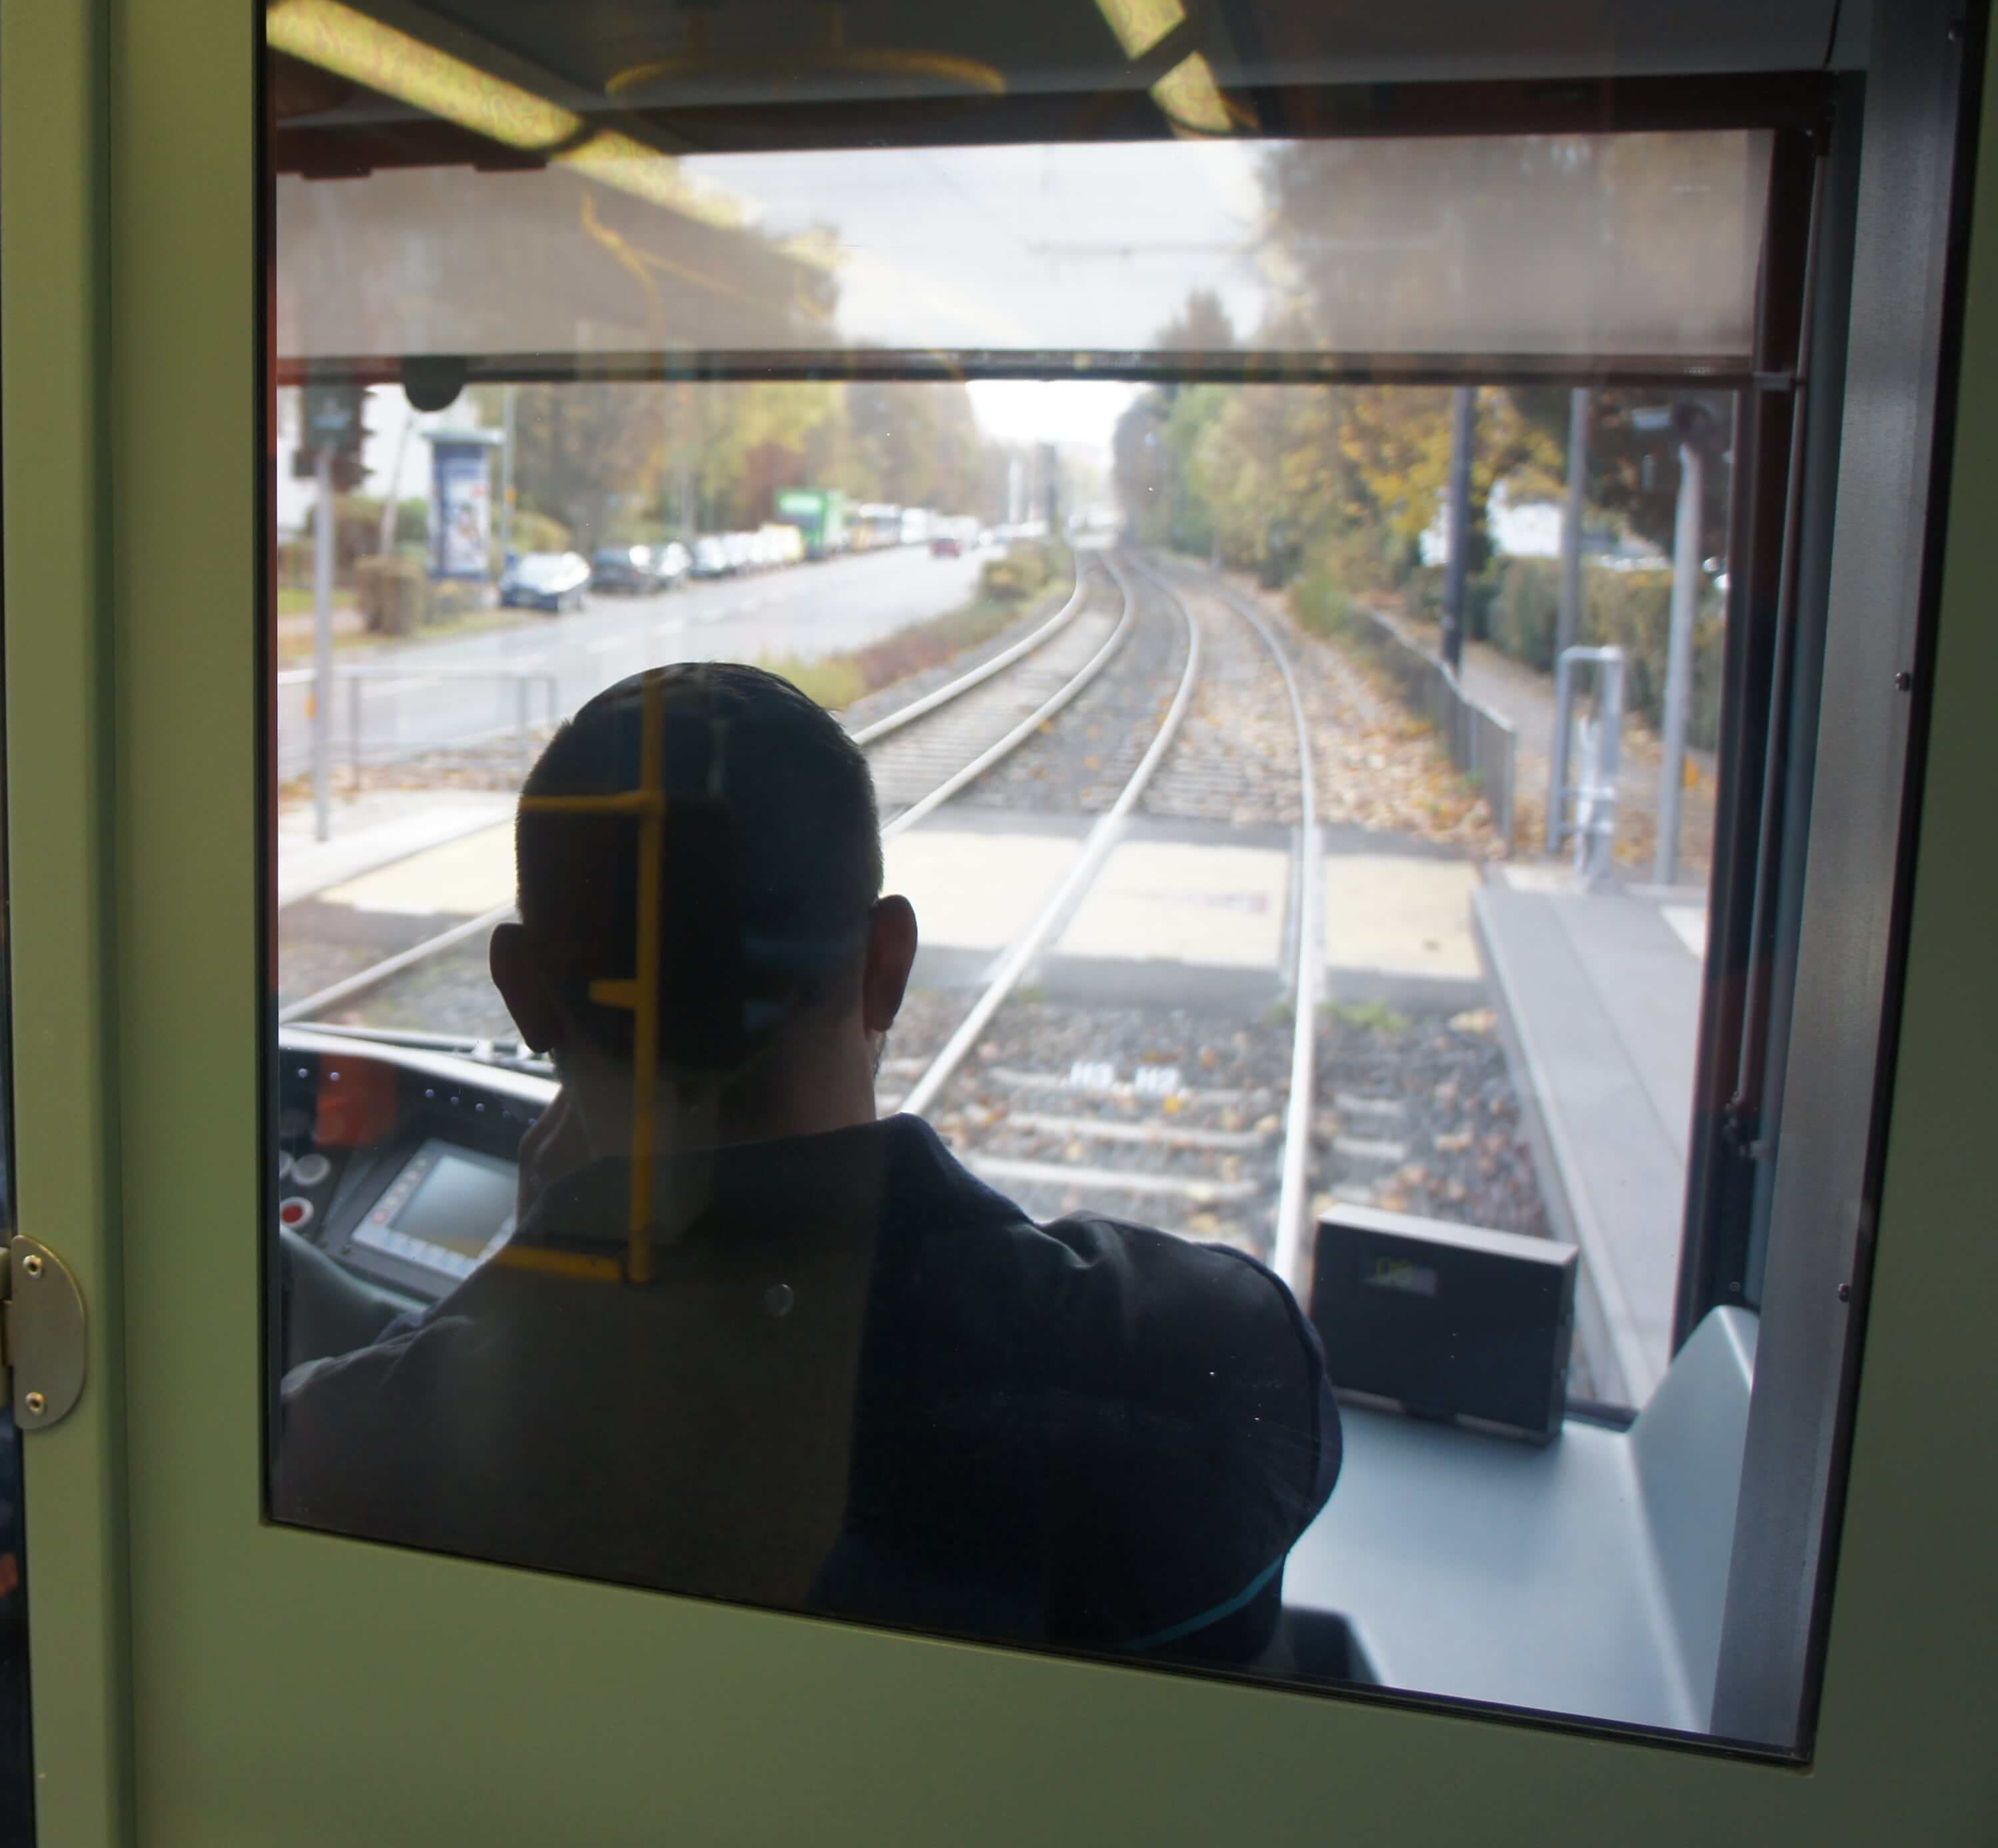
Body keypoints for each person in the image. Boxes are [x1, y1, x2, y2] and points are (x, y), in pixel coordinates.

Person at [274, 662, 1339, 1662]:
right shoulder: (1208, 1381)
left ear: (522, 992)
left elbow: (415, 1402)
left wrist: (551, 1275)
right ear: (886, 966)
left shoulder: (369, 1457)